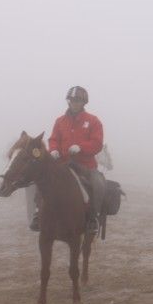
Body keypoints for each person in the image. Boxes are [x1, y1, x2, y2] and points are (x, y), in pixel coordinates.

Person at [30, 86, 105, 234]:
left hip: (86, 165)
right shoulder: (60, 121)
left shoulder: (93, 121)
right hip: (62, 164)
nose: (74, 103)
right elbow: (53, 139)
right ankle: (38, 214)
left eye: (77, 100)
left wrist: (81, 147)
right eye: (71, 100)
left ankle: (92, 218)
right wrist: (54, 149)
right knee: (41, 179)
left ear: (84, 102)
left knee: (98, 184)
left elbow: (97, 143)